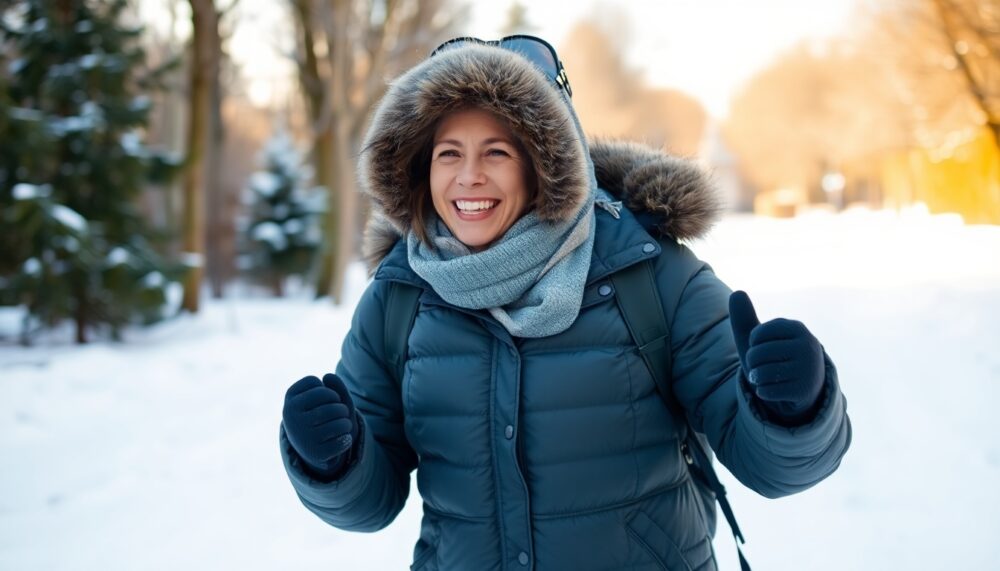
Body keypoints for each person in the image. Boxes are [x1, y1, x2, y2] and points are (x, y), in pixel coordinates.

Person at [279, 35, 851, 571]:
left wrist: (793, 408)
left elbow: (771, 465)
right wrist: (333, 461)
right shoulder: (398, 296)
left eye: (496, 152)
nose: (468, 177)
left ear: (542, 164)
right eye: (448, 153)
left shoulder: (646, 270)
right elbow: (369, 505)